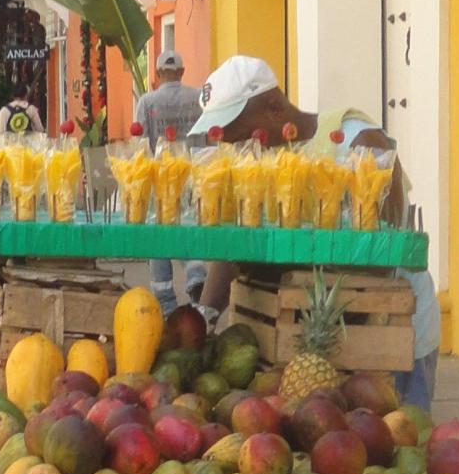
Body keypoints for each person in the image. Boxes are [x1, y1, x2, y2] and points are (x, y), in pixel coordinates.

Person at [189, 55, 441, 408]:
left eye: (245, 136)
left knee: (400, 432)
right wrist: (205, 317)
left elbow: (381, 259)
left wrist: (277, 261)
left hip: (390, 332)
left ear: (275, 108)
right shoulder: (256, 167)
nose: (242, 150)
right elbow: (235, 245)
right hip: (309, 340)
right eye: (231, 143)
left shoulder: (358, 142)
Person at [136, 51, 203, 316]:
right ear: (182, 72)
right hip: (191, 176)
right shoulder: (198, 98)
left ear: (157, 73)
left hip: (160, 180)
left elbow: (140, 143)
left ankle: (165, 300)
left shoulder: (147, 102)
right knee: (188, 225)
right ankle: (196, 274)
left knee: (160, 233)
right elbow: (206, 137)